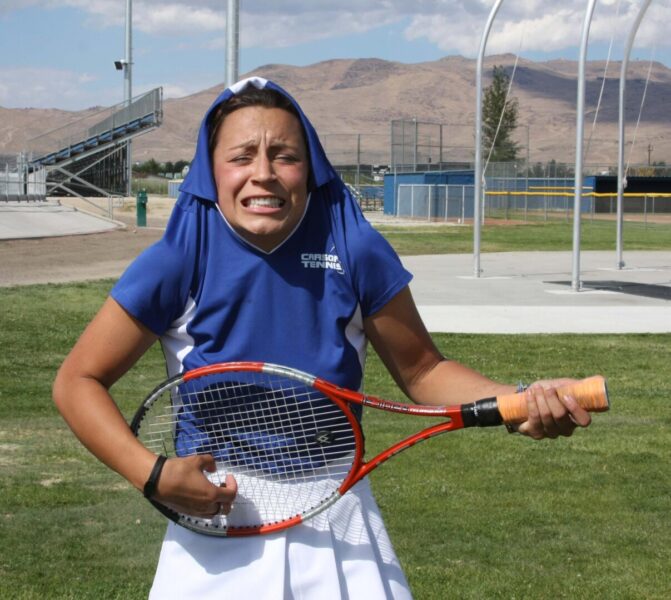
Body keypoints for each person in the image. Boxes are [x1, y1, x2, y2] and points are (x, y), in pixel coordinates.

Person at [53, 77, 592, 599]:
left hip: (339, 514)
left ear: (309, 168)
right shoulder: (178, 259)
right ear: (209, 170)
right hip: (214, 515)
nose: (262, 174)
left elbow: (424, 371)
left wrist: (520, 402)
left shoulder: (356, 250)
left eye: (284, 156)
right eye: (241, 156)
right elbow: (78, 381)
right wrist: (152, 474)